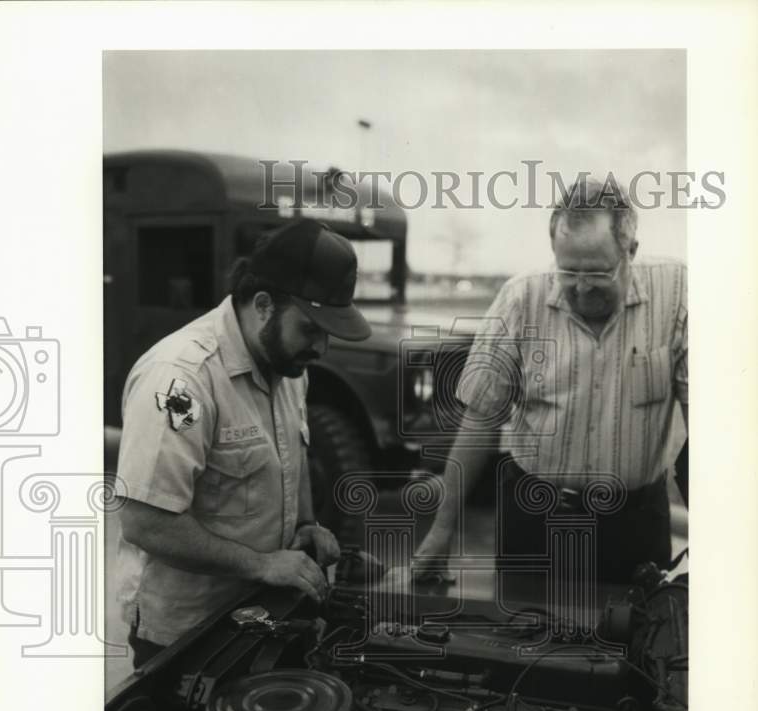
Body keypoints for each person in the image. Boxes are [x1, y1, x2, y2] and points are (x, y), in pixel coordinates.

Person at [115, 219, 372, 668]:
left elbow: (293, 448)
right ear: (263, 304)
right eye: (311, 328)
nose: (322, 347)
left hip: (259, 616)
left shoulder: (288, 365)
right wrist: (262, 564)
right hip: (186, 637)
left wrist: (307, 524)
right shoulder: (182, 378)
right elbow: (145, 522)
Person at [412, 176, 688, 583]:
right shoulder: (520, 299)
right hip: (534, 523)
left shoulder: (677, 292)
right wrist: (441, 531)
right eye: (568, 271)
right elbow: (479, 421)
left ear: (631, 250)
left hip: (635, 528)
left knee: (640, 641)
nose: (580, 288)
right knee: (521, 639)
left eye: (597, 273)